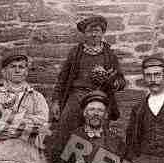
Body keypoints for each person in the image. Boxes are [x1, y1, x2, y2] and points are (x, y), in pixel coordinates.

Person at [51, 15, 126, 143]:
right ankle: (63, 161)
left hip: (100, 96)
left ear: (102, 33)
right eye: (90, 31)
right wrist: (56, 101)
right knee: (65, 126)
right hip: (77, 96)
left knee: (99, 131)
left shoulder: (109, 55)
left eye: (97, 31)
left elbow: (120, 81)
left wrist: (112, 82)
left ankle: (96, 160)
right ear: (85, 34)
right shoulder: (75, 52)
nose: (94, 34)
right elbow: (62, 79)